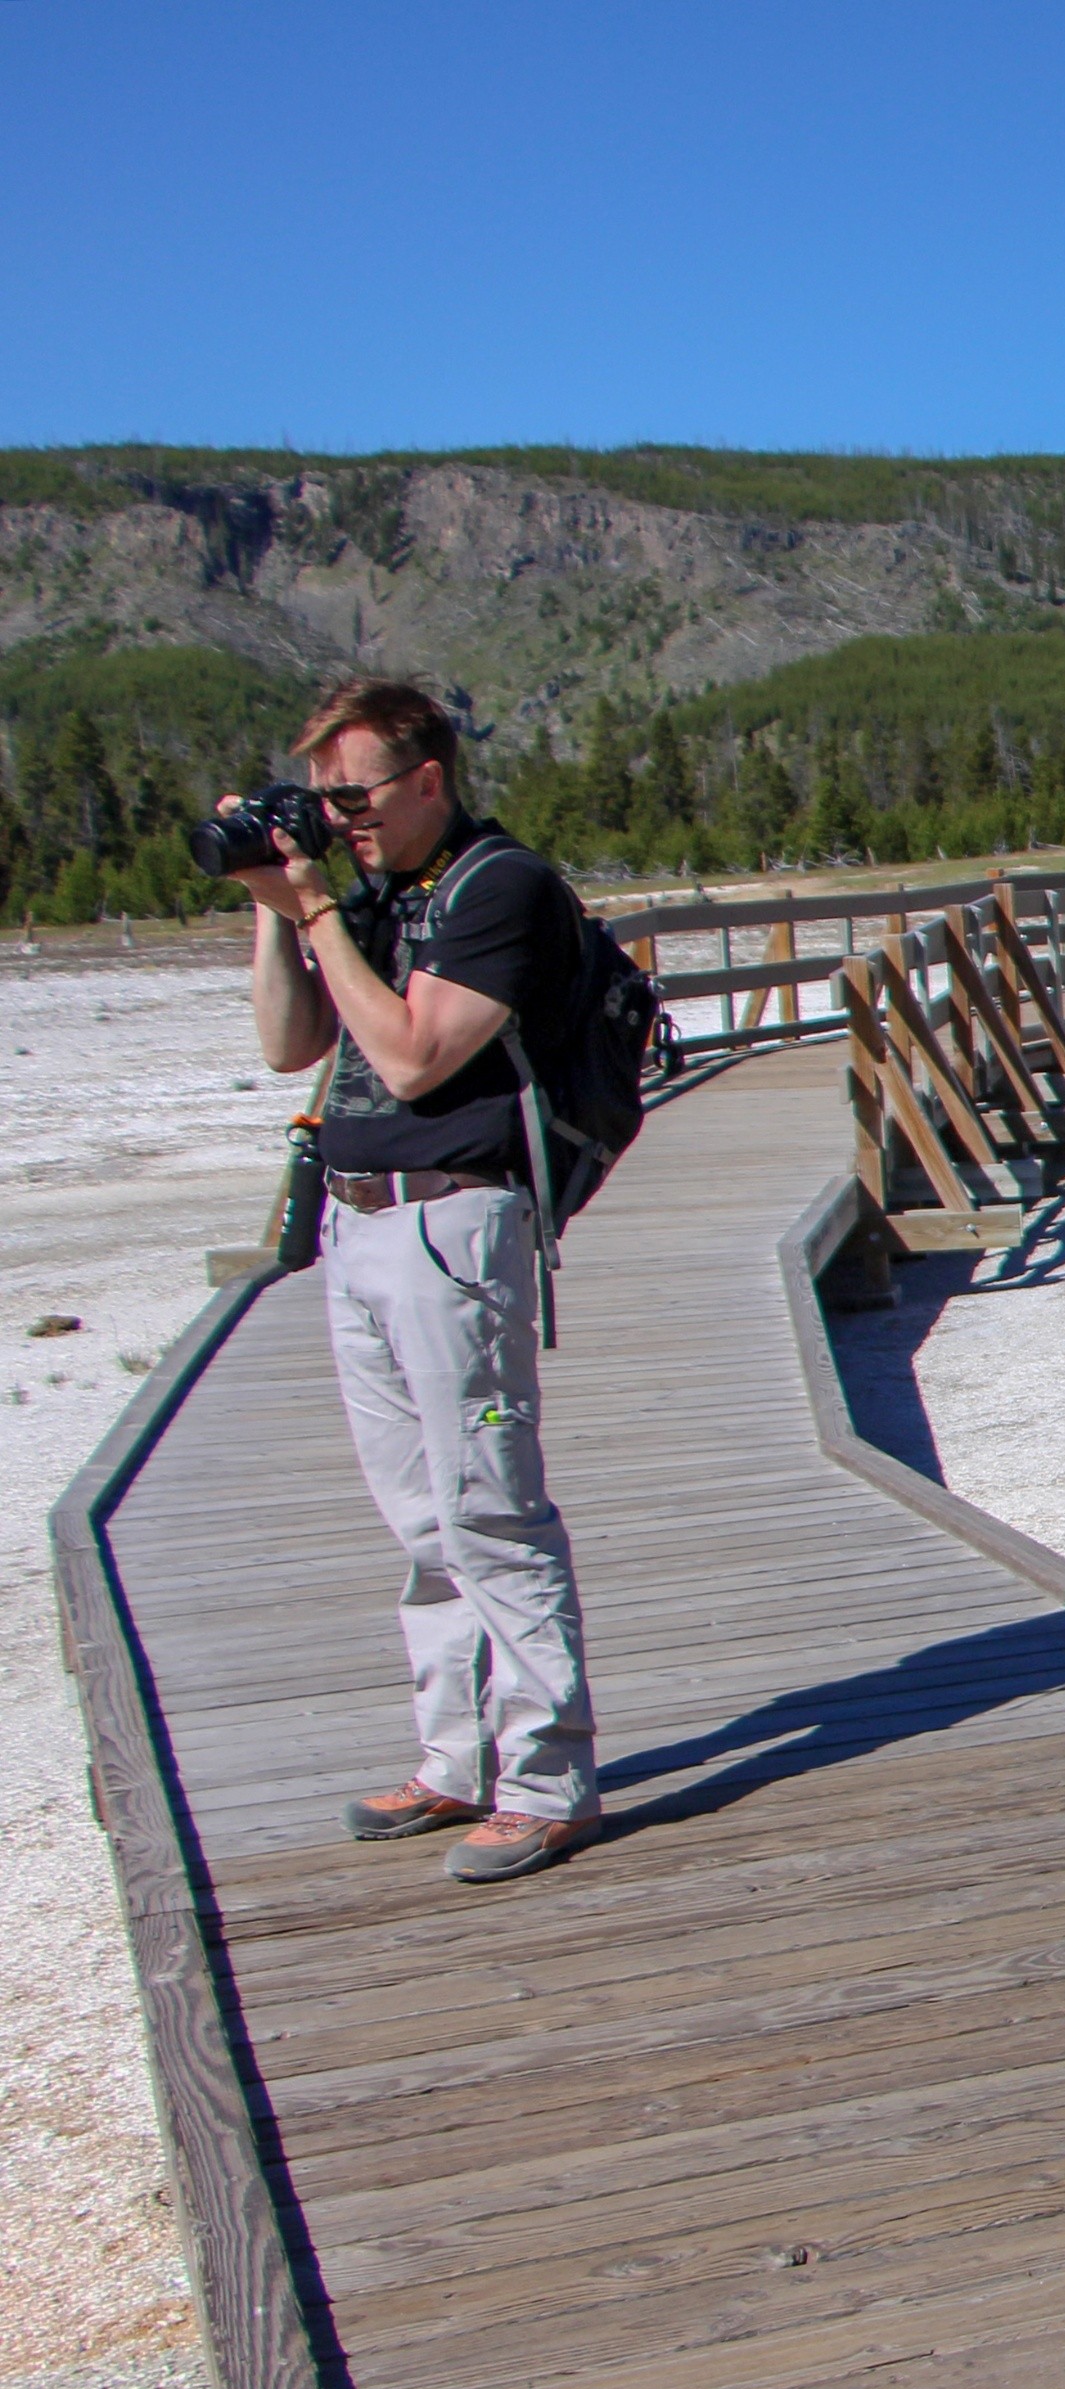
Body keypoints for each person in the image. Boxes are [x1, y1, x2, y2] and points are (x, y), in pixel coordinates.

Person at [224, 677, 601, 1883]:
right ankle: (455, 1763)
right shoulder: (372, 895)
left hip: (456, 1224)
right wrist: (272, 907)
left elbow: (415, 1055)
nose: (342, 821)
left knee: (490, 1503)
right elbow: (290, 1045)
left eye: (358, 796)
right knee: (421, 1522)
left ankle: (548, 1780)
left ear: (429, 777)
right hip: (355, 1225)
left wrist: (324, 912)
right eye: (323, 802)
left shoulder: (501, 888)